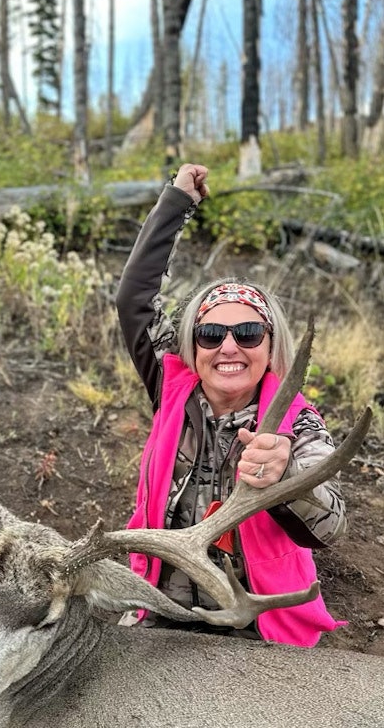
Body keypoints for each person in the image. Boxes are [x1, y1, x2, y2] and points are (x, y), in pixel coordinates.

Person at [116, 163, 347, 647]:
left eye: (247, 333)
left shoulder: (298, 423)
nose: (228, 347)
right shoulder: (171, 388)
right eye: (210, 333)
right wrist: (176, 204)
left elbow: (331, 527)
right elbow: (134, 299)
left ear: (270, 345)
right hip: (161, 607)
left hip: (255, 626)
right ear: (193, 346)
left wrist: (286, 478)